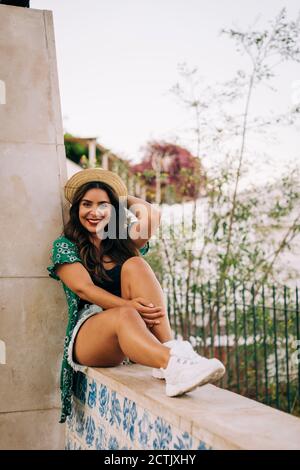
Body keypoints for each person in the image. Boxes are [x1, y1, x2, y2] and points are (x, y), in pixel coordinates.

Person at [47, 168, 225, 423]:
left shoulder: (119, 240)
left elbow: (152, 215)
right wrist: (128, 305)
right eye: (87, 204)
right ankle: (172, 363)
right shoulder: (65, 245)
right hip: (88, 337)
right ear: (76, 209)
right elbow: (84, 289)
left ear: (114, 210)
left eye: (103, 205)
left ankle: (168, 348)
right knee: (125, 314)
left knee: (136, 265)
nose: (94, 212)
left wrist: (123, 197)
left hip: (129, 324)